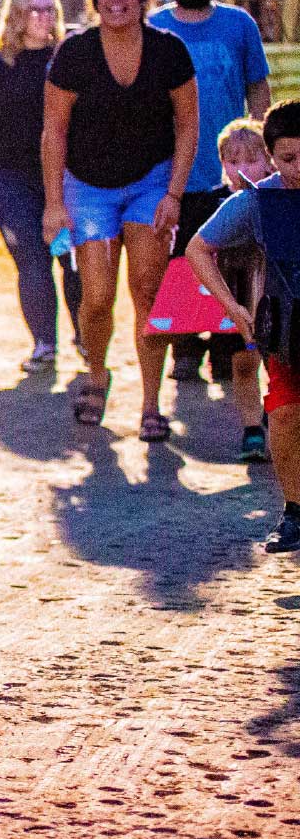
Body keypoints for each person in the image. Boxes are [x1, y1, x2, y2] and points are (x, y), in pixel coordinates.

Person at [41, 0, 198, 441]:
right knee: (97, 296)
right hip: (87, 188)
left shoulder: (169, 51)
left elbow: (189, 124)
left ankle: (151, 405)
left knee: (147, 292)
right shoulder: (74, 53)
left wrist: (174, 192)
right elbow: (54, 130)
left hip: (151, 183)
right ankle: (96, 375)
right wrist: (53, 204)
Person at [146, 0, 272, 384]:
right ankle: (185, 348)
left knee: (232, 259)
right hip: (174, 170)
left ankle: (226, 346)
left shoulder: (238, 25)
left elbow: (257, 87)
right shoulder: (155, 27)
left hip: (232, 170)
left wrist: (263, 148)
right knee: (178, 260)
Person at [186, 100, 300, 553]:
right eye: (289, 159)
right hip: (288, 331)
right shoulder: (257, 201)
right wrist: (234, 307)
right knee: (288, 414)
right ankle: (295, 510)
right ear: (271, 156)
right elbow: (198, 248)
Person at [0, 0, 81, 371]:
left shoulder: (67, 58)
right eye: (35, 9)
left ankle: (85, 338)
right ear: (16, 15)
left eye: (50, 9)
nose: (44, 17)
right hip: (10, 178)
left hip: (63, 180)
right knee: (31, 256)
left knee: (69, 258)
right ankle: (44, 345)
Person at [175, 120, 274, 462]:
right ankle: (252, 430)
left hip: (273, 294)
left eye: (251, 161)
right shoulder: (212, 202)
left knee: (277, 362)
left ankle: (273, 415)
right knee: (243, 363)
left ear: (269, 161)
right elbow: (192, 253)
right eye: (233, 162)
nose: (242, 169)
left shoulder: (277, 198)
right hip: (229, 296)